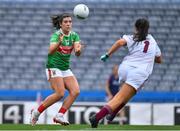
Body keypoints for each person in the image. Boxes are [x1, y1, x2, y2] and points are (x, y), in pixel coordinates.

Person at [89, 18, 162, 128]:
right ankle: (97, 117)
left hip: (124, 68)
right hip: (139, 72)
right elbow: (159, 60)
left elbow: (119, 42)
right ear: (148, 29)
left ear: (135, 28)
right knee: (120, 97)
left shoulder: (132, 37)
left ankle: (112, 114)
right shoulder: (152, 40)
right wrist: (149, 57)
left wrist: (107, 55)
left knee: (128, 94)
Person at [30, 13, 82, 126]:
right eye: (66, 22)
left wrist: (78, 50)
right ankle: (36, 112)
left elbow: (77, 51)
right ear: (60, 24)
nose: (68, 24)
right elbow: (50, 51)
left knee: (75, 91)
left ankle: (59, 115)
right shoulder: (56, 35)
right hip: (53, 66)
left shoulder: (74, 36)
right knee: (60, 93)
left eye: (70, 21)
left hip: (65, 68)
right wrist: (59, 42)